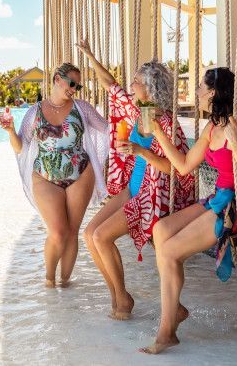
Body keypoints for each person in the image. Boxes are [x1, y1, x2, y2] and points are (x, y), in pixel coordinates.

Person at [142, 67, 237, 354]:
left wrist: (235, 145)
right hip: (219, 198)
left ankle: (166, 331)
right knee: (160, 230)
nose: (196, 91)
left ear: (212, 92)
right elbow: (184, 165)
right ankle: (176, 308)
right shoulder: (213, 127)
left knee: (170, 251)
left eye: (200, 86)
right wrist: (158, 133)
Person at [76, 39, 195, 320]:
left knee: (102, 237)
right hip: (132, 187)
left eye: (137, 80)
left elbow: (176, 169)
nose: (131, 84)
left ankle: (123, 300)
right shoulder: (136, 110)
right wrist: (90, 54)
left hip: (151, 196)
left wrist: (142, 151)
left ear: (151, 87)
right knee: (89, 235)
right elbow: (110, 85)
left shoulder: (166, 123)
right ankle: (119, 296)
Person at [0, 62, 109, 288]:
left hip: (80, 173)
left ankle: (66, 285)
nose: (73, 89)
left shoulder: (82, 108)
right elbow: (21, 147)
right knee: (58, 233)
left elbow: (108, 129)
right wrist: (10, 130)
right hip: (44, 176)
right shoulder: (34, 112)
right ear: (57, 79)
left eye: (77, 86)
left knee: (72, 232)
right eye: (71, 83)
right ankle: (49, 281)